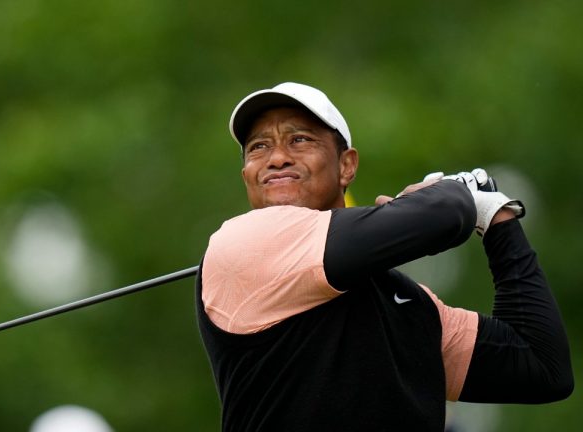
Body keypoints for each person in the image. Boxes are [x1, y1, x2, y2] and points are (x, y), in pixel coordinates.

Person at [195, 82, 573, 431]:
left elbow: (541, 366)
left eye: (299, 140)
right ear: (246, 172)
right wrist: (451, 195)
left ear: (347, 165)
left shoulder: (410, 303)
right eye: (258, 147)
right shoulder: (241, 242)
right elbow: (448, 212)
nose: (276, 158)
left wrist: (498, 219)